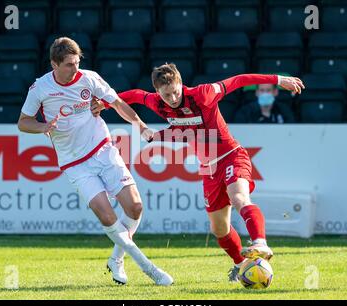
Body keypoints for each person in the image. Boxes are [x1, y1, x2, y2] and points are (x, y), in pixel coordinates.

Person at [93, 64, 305, 283]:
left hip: (231, 155)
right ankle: (240, 265)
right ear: (158, 93)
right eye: (167, 94)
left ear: (181, 83)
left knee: (239, 197)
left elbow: (239, 79)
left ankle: (259, 242)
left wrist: (278, 79)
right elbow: (135, 95)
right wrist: (105, 103)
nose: (173, 97)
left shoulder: (203, 94)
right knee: (219, 228)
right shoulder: (157, 103)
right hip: (209, 169)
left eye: (176, 91)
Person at [17, 37, 173, 286]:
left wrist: (140, 126)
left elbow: (118, 103)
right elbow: (23, 122)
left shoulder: (89, 78)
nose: (75, 68)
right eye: (69, 64)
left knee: (135, 207)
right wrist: (43, 126)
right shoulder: (40, 88)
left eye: (77, 62)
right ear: (54, 64)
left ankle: (116, 259)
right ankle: (148, 268)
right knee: (107, 216)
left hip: (102, 149)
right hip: (74, 163)